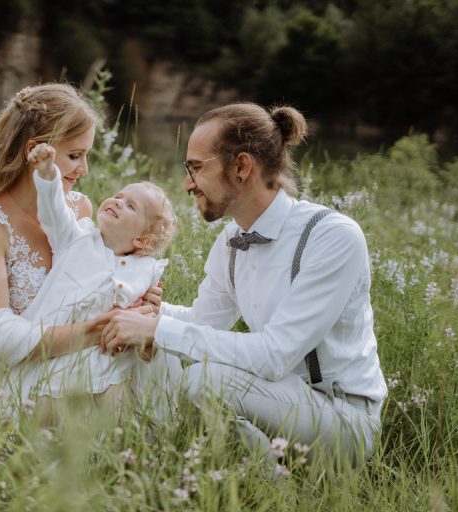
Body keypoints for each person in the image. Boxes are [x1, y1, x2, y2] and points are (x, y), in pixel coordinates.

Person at [99, 103, 387, 464]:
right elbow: (204, 322)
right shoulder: (232, 242)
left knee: (201, 380)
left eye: (196, 168)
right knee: (175, 372)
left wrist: (157, 329)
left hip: (343, 419)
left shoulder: (332, 237)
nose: (188, 184)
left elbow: (274, 355)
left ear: (241, 167)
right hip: (276, 401)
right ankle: (260, 478)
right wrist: (147, 310)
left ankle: (267, 483)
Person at [0, 83, 169, 426]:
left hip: (66, 363)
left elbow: (95, 278)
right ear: (36, 152)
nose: (84, 169)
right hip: (1, 370)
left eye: (86, 156)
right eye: (74, 155)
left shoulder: (78, 206)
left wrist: (136, 301)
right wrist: (93, 331)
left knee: (148, 357)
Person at [19, 142, 175, 401]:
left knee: (116, 400)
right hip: (62, 345)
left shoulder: (147, 269)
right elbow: (54, 211)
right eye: (119, 196)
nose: (117, 201)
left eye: (131, 206)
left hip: (108, 356)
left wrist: (148, 316)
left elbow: (147, 313)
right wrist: (48, 175)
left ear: (142, 241)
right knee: (49, 396)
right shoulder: (76, 236)